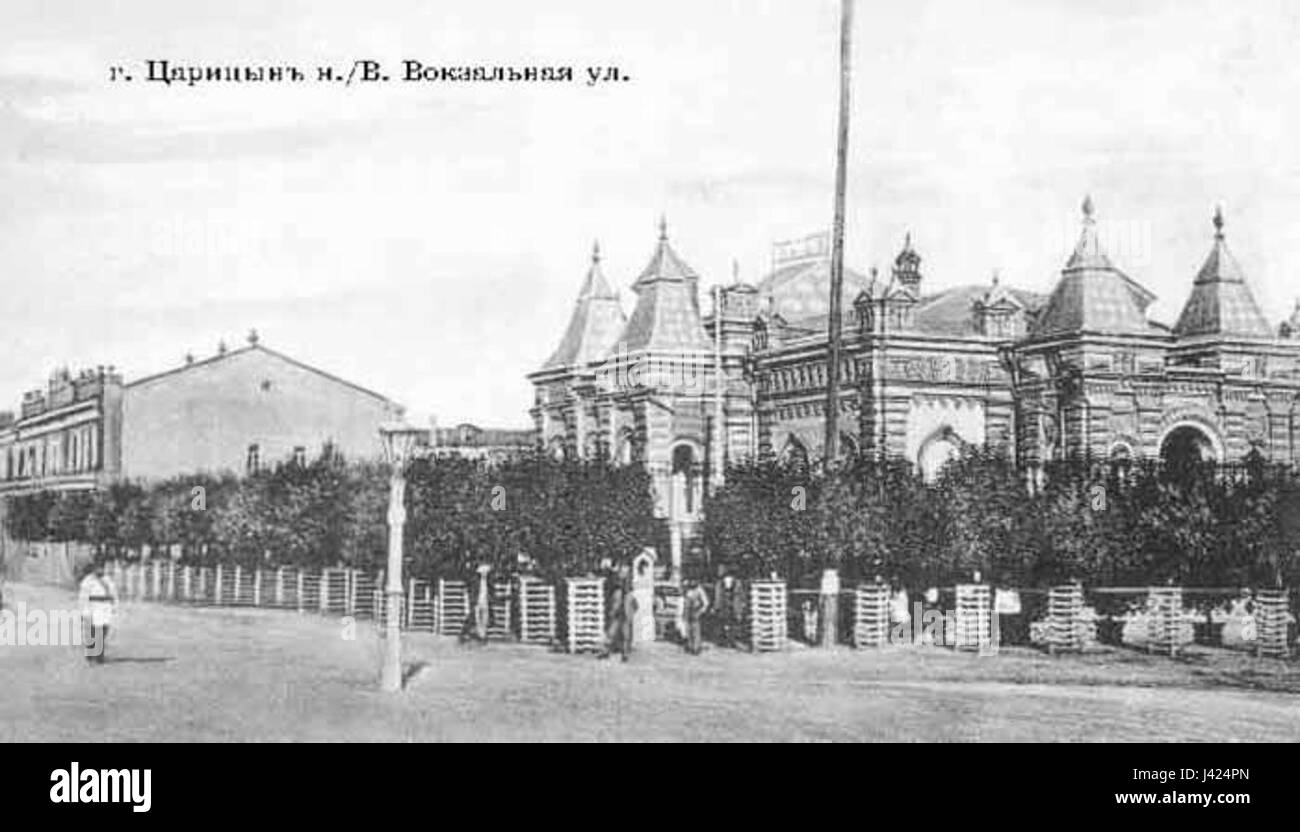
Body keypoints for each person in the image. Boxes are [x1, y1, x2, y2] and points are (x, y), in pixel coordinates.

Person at [77, 562, 118, 665]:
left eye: (102, 568)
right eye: (98, 568)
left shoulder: (108, 580)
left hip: (104, 608)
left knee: (102, 632)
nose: (100, 570)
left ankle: (99, 656)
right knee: (92, 632)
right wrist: (83, 610)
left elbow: (113, 594)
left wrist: (114, 607)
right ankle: (91, 656)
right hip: (92, 607)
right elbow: (83, 597)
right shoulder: (88, 581)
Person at [682, 579, 709, 655]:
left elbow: (706, 603)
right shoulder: (688, 590)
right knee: (688, 629)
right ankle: (690, 646)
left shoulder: (699, 590)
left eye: (694, 581)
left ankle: (696, 648)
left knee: (696, 630)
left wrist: (701, 611)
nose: (692, 583)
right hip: (688, 611)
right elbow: (685, 600)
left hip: (695, 610)